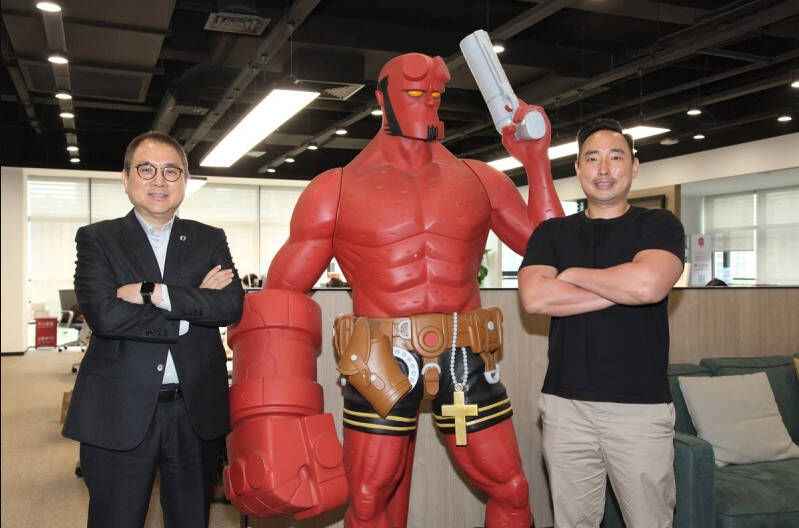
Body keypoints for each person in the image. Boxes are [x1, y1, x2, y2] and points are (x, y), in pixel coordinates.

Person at [223, 52, 564, 527]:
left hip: (463, 351)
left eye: (435, 95)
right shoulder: (336, 189)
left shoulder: (478, 178)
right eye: (415, 93)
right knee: (367, 499)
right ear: (382, 99)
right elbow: (280, 299)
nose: (428, 103)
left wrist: (536, 161)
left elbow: (553, 248)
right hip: (381, 355)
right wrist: (270, 420)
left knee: (513, 488)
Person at [62, 131, 245, 528]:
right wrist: (192, 306)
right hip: (119, 409)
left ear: (185, 181)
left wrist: (154, 293)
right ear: (126, 178)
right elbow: (105, 316)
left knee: (191, 520)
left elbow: (230, 305)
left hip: (194, 413)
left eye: (171, 171)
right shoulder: (98, 239)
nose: (159, 181)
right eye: (146, 170)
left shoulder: (209, 239)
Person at [518, 118, 685, 527]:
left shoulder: (659, 225)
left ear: (634, 166)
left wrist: (572, 274)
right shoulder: (551, 232)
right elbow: (536, 298)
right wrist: (621, 287)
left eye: (615, 157)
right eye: (592, 159)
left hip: (640, 409)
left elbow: (648, 285)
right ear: (578, 168)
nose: (604, 169)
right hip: (565, 407)